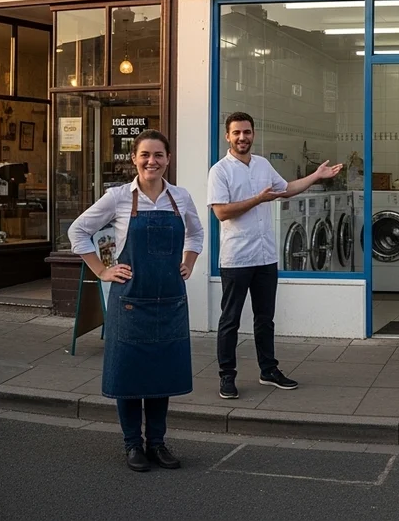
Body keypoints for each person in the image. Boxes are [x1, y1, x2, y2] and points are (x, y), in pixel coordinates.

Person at [68, 130, 204, 472]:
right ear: (134, 158)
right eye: (145, 155)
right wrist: (102, 270)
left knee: (161, 377)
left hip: (170, 301)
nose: (151, 161)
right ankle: (133, 445)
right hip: (129, 302)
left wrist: (188, 261)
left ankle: (156, 443)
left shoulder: (181, 197)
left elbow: (197, 232)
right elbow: (77, 231)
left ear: (168, 159)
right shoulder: (116, 198)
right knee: (129, 377)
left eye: (158, 155)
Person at [208, 112, 342, 400]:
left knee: (265, 318)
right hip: (237, 258)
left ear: (253, 134)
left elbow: (286, 189)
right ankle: (227, 376)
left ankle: (268, 370)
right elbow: (220, 212)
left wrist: (317, 176)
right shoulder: (220, 171)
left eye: (247, 132)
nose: (242, 137)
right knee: (230, 319)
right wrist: (258, 199)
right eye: (236, 133)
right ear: (227, 136)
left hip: (265, 255)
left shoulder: (262, 165)